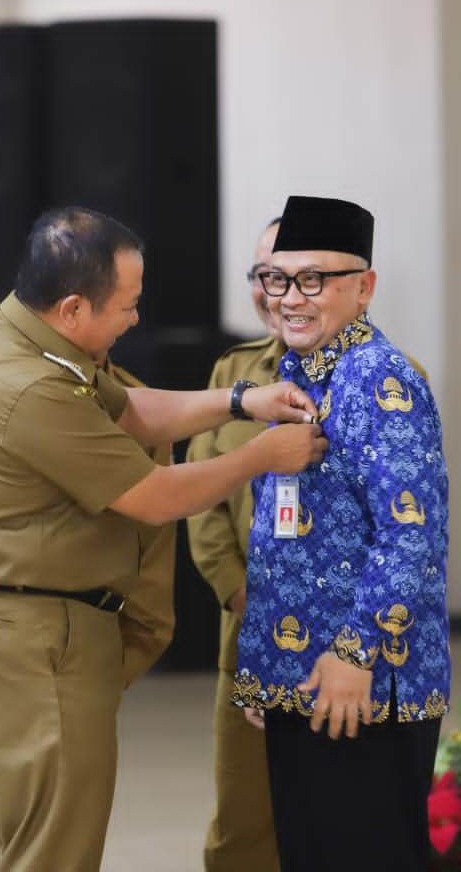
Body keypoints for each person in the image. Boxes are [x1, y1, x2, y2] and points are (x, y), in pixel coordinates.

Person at [0, 205, 327, 872]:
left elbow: (128, 409)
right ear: (71, 309)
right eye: (127, 306)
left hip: (25, 627)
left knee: (23, 837)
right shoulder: (28, 386)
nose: (137, 319)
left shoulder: (21, 339)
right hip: (37, 640)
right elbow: (152, 497)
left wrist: (239, 402)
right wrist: (261, 455)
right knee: (53, 848)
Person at [233, 194, 449, 871]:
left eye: (313, 280)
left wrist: (355, 655)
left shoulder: (376, 377)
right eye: (278, 278)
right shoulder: (301, 370)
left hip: (363, 686)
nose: (290, 298)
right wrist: (274, 667)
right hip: (304, 676)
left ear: (364, 287)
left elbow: (411, 535)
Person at [0, 356, 176, 872]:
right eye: (123, 302)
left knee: (53, 833)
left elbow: (151, 551)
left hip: (71, 647)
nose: (133, 315)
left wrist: (123, 655)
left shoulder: (133, 405)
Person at [184, 217, 286, 872]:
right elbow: (201, 495)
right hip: (246, 627)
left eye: (293, 276)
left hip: (347, 646)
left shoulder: (384, 379)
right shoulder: (236, 371)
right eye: (262, 275)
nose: (274, 292)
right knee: (242, 825)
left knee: (340, 816)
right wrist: (235, 586)